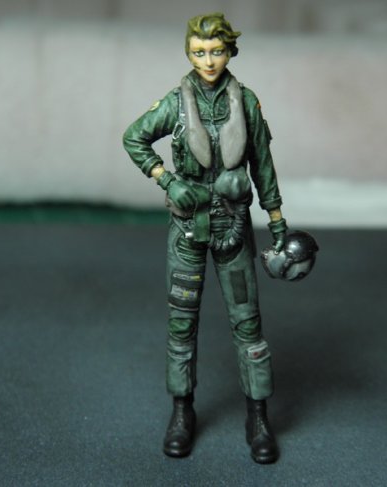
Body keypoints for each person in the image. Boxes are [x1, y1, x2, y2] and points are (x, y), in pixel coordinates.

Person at [123, 12, 286, 464]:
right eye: (199, 52)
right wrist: (166, 179)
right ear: (188, 53)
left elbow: (263, 165)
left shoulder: (245, 103)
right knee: (181, 324)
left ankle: (258, 416)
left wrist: (277, 222)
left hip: (233, 227)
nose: (208, 60)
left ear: (230, 51)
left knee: (248, 323)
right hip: (187, 228)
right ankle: (182, 411)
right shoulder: (176, 104)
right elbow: (134, 138)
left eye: (216, 51)